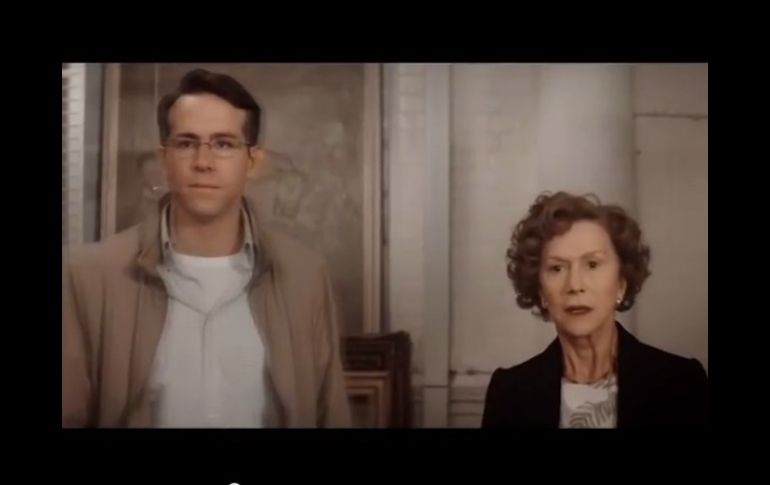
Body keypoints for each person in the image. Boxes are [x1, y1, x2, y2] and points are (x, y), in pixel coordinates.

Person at [62, 68, 351, 428]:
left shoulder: (304, 276)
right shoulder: (90, 275)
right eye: (186, 143)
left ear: (252, 162)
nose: (203, 162)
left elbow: (328, 412)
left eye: (224, 144)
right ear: (164, 159)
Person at [482, 192, 708, 428]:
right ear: (541, 291)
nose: (574, 285)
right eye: (557, 268)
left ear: (621, 283)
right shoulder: (510, 392)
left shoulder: (681, 383)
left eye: (592, 264)